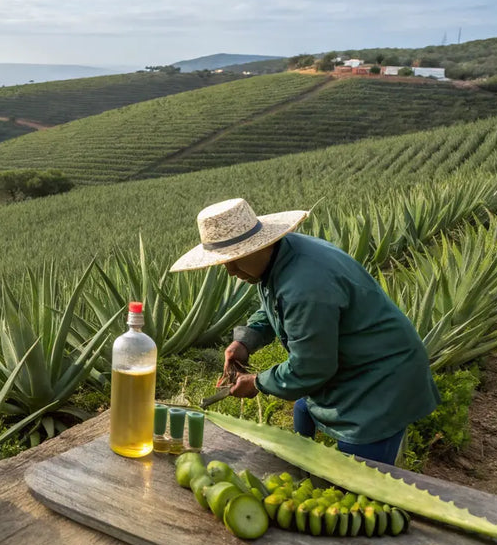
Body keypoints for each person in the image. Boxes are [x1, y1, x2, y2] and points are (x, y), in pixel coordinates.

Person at [169, 198, 440, 465]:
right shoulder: (282, 256)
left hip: (380, 381)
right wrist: (245, 341)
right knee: (304, 410)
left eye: (235, 259)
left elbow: (310, 368)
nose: (230, 270)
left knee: (362, 484)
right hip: (351, 364)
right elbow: (272, 309)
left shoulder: (305, 287)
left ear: (260, 245)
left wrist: (258, 382)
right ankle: (308, 470)